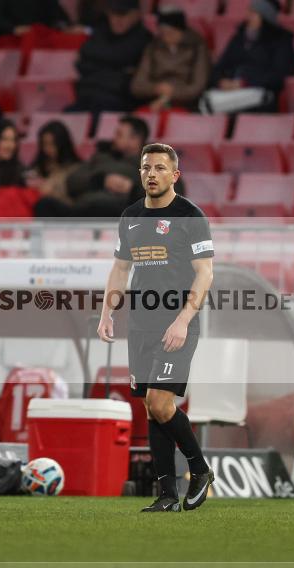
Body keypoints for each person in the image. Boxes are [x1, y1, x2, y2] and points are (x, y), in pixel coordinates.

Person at [97, 143, 215, 512]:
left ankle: (200, 469)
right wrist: (107, 312)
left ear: (174, 175)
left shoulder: (190, 216)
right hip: (141, 325)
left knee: (161, 403)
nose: (152, 173)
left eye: (160, 168)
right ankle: (166, 495)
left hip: (177, 325)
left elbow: (205, 274)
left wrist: (183, 320)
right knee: (151, 408)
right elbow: (120, 269)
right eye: (146, 167)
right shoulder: (131, 216)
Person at [35, 115, 149, 217]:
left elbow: (155, 196)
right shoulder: (101, 157)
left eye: (119, 134)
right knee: (44, 204)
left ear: (135, 139)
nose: (114, 138)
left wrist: (131, 189)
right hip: (82, 209)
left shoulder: (148, 164)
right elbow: (72, 181)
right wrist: (101, 180)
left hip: (117, 211)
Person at [201, 0, 294, 114]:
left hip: (260, 97)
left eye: (254, 13)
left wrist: (244, 83)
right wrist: (220, 82)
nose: (248, 16)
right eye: (249, 12)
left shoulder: (282, 41)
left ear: (265, 17)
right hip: (230, 93)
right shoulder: (239, 38)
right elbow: (221, 65)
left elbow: (278, 76)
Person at [67, 0, 152, 113]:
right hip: (87, 97)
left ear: (136, 15)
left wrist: (97, 66)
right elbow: (81, 63)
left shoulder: (144, 39)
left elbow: (123, 58)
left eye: (122, 14)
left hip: (120, 103)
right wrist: (116, 69)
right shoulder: (101, 31)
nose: (116, 19)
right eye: (113, 14)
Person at [130, 7, 211, 112]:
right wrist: (155, 88)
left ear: (181, 30)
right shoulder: (153, 47)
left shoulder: (197, 46)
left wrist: (170, 94)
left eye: (171, 32)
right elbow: (137, 85)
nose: (166, 37)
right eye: (163, 32)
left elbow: (198, 86)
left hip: (187, 104)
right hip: (154, 101)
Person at [26, 120, 83, 205]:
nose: (47, 149)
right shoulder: (39, 164)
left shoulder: (76, 169)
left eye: (52, 144)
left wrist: (52, 192)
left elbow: (74, 199)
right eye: (44, 144)